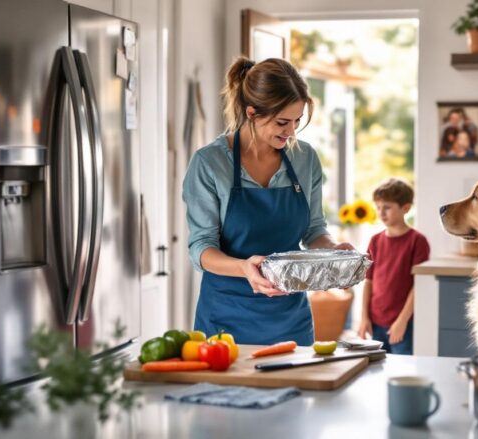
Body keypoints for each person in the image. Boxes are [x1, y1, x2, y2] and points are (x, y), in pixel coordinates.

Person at [182, 57, 353, 346]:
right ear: (251, 112)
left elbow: (313, 229)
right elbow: (201, 248)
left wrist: (333, 251)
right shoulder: (210, 163)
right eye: (282, 122)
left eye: (297, 121)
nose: (291, 132)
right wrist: (244, 268)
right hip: (226, 319)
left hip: (290, 318)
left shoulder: (304, 158)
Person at [357, 178, 430, 355]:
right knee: (376, 371)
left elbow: (417, 286)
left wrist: (402, 322)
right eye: (378, 207)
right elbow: (369, 281)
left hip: (402, 324)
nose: (381, 213)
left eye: (387, 207)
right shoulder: (375, 241)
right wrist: (364, 317)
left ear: (406, 208)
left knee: (402, 370)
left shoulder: (417, 241)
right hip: (375, 322)